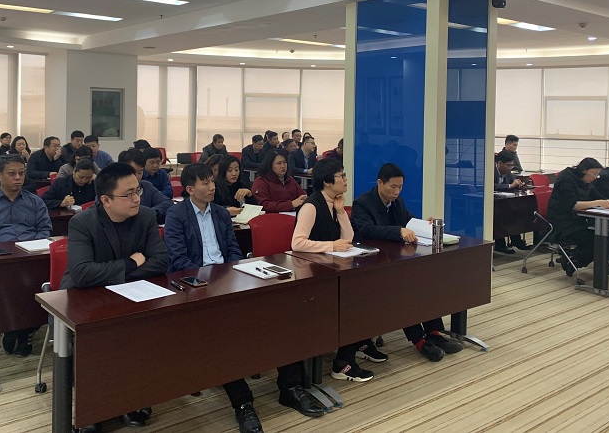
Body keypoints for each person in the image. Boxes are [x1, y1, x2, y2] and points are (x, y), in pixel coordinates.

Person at [164, 163, 323, 432]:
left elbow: (234, 251)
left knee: (281, 316)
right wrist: (211, 282)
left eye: (212, 181)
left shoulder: (220, 213)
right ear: (190, 189)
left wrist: (235, 274)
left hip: (228, 280)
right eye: (205, 183)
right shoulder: (176, 215)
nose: (212, 187)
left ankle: (290, 388)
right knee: (224, 337)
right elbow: (179, 261)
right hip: (196, 288)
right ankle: (243, 403)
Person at [60, 161, 167, 431]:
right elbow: (82, 273)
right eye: (128, 194)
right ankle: (91, 408)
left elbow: (161, 261)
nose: (137, 198)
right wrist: (131, 263)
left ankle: (132, 398)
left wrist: (118, 274)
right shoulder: (82, 222)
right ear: (105, 200)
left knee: (146, 332)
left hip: (131, 292)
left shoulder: (145, 216)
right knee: (92, 341)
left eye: (138, 191)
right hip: (85, 297)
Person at [351, 163, 465, 362]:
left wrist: (423, 224)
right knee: (404, 289)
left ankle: (434, 333)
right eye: (393, 187)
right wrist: (398, 231)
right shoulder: (362, 203)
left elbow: (409, 221)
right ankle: (419, 340)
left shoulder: (397, 202)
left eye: (400, 187)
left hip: (395, 260)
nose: (396, 192)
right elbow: (366, 230)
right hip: (371, 264)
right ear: (380, 183)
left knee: (423, 281)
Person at [291, 158, 380, 382]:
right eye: (341, 176)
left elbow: (348, 238)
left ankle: (354, 349)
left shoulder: (334, 203)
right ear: (327, 182)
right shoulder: (311, 206)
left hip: (330, 269)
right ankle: (343, 363)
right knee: (352, 304)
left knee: (365, 296)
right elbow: (297, 243)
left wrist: (340, 212)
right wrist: (331, 245)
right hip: (312, 273)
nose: (345, 179)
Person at [0, 154, 51, 357]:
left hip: (31, 258)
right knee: (11, 286)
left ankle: (24, 328)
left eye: (21, 173)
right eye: (12, 173)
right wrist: (3, 251)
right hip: (0, 261)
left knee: (39, 283)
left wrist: (30, 247)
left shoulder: (35, 202)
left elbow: (45, 230)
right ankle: (14, 328)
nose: (18, 178)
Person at [547, 157, 609, 277]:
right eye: (593, 173)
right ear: (584, 170)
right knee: (596, 240)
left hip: (582, 220)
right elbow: (573, 205)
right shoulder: (565, 180)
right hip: (563, 222)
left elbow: (597, 196)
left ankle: (599, 261)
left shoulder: (586, 181)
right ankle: (574, 260)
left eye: (597, 174)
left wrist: (608, 202)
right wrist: (598, 203)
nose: (595, 177)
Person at [118, 148, 173, 223]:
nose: (137, 176)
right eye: (132, 172)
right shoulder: (113, 189)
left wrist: (149, 213)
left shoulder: (146, 186)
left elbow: (168, 203)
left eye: (140, 172)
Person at [493, 150, 531, 254]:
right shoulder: (490, 170)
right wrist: (510, 186)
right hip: (490, 204)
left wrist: (519, 184)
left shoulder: (508, 172)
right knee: (500, 215)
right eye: (508, 165)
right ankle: (500, 244)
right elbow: (490, 185)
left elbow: (513, 182)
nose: (510, 168)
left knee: (514, 212)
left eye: (512, 166)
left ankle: (516, 240)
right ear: (499, 163)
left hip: (503, 202)